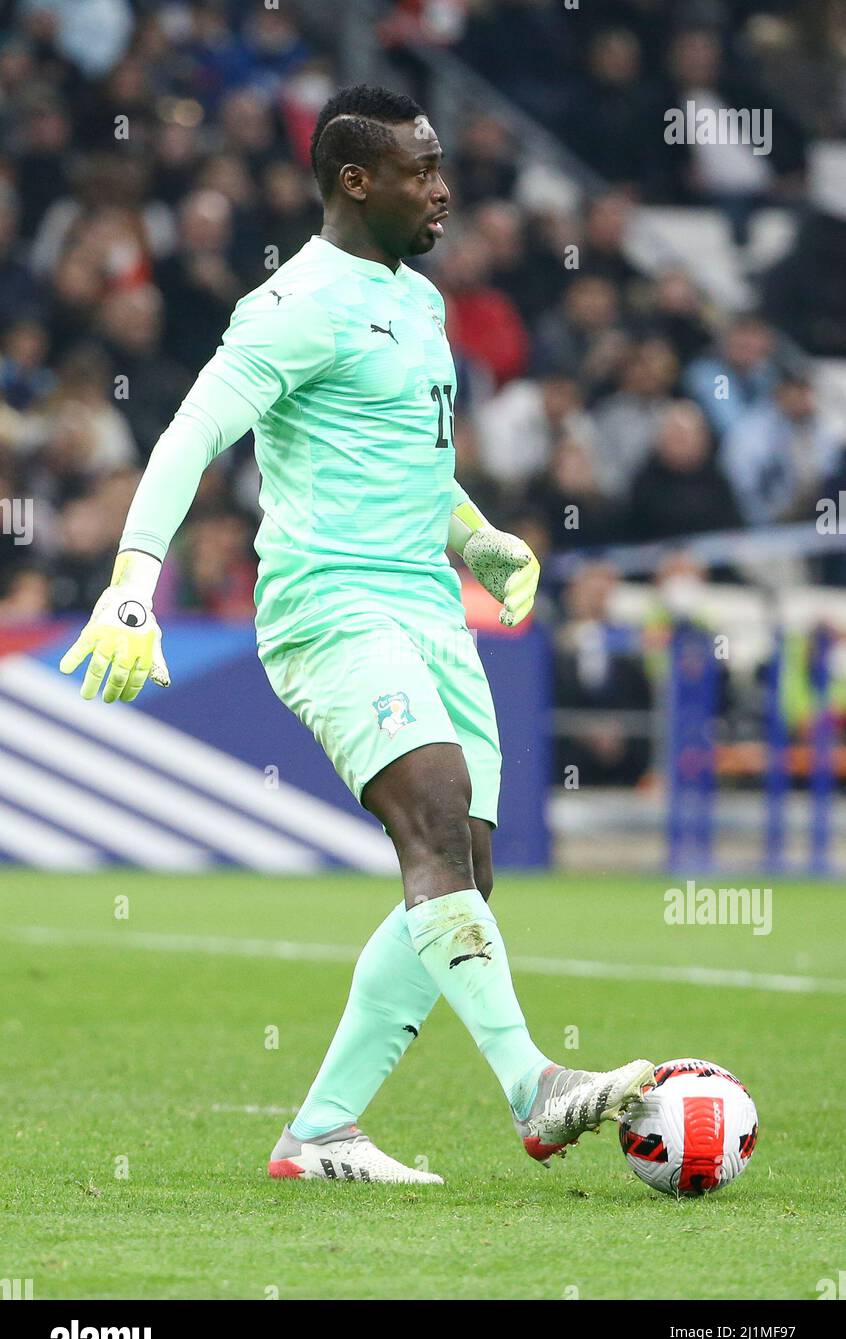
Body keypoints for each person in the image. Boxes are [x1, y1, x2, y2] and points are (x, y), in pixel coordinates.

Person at [59, 84, 652, 1185]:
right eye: (420, 170)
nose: (441, 187)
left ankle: (321, 1130)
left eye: (439, 166)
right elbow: (189, 434)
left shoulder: (416, 300)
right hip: (331, 602)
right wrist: (133, 584)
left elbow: (412, 462)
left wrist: (476, 541)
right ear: (354, 181)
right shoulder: (294, 304)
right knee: (430, 818)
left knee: (466, 865)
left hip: (429, 608)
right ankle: (536, 1085)